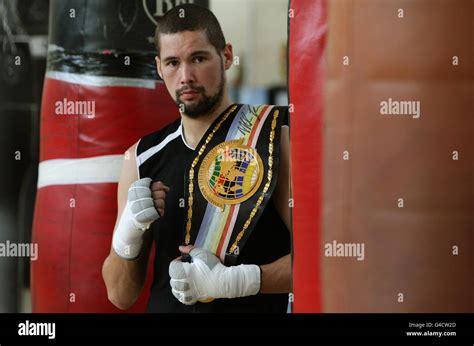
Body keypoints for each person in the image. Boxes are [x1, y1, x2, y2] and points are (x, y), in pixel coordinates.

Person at [102, 3, 291, 313]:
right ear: (160, 67)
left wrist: (235, 281)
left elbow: (320, 259)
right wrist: (128, 234)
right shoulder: (140, 157)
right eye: (173, 63)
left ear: (227, 56)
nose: (186, 76)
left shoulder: (271, 135)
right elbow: (120, 295)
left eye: (198, 58)